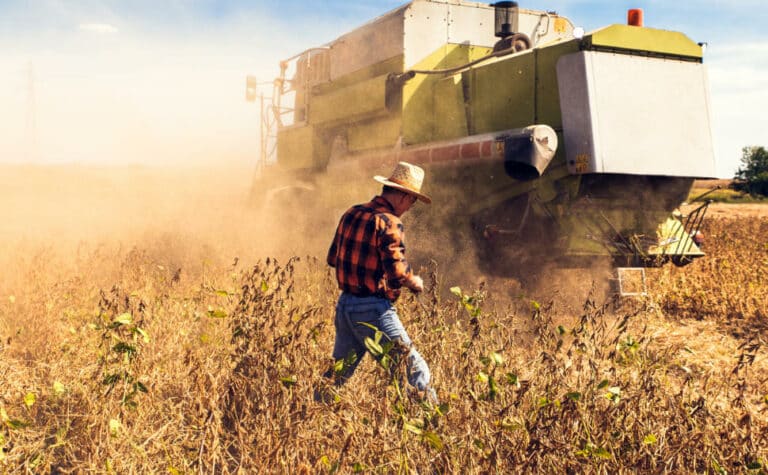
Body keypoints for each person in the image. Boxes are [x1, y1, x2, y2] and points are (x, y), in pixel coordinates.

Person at [320, 161, 437, 403]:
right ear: (404, 196)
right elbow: (396, 272)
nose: (410, 207)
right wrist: (414, 281)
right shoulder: (389, 222)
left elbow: (333, 259)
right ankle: (433, 425)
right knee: (414, 369)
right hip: (372, 310)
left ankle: (306, 413)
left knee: (338, 374)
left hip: (345, 307)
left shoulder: (351, 213)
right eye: (413, 201)